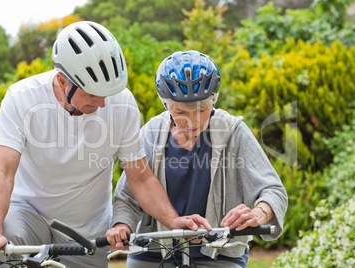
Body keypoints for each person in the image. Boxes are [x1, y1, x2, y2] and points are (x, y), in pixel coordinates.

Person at [0, 23, 210, 268]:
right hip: (28, 213)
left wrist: (173, 220)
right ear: (62, 82)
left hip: (87, 227)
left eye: (107, 93)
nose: (102, 103)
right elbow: (2, 171)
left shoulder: (122, 103)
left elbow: (141, 177)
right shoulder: (22, 98)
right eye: (92, 94)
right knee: (9, 241)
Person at [106, 50, 288, 268]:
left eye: (202, 109)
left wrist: (259, 213)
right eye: (181, 112)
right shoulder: (151, 133)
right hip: (154, 251)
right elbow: (128, 196)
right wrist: (121, 225)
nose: (192, 121)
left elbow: (273, 190)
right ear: (166, 104)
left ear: (214, 99)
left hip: (219, 252)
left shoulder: (233, 132)